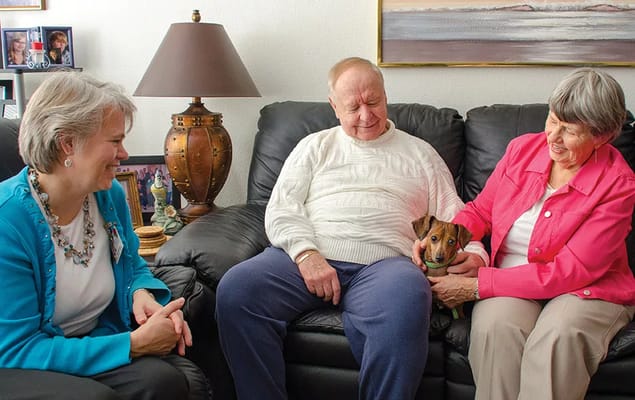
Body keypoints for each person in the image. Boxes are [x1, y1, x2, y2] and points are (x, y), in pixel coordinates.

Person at [215, 57, 488, 400]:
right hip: (307, 257)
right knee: (237, 290)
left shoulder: (421, 154)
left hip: (387, 265)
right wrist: (306, 254)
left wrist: (475, 255)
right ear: (333, 106)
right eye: (353, 106)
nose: (366, 115)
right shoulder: (314, 147)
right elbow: (281, 208)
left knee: (410, 296)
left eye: (373, 102)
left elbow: (459, 214)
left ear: (385, 95)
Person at [413, 68, 635, 400]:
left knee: (557, 338)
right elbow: (481, 211)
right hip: (512, 279)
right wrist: (447, 239)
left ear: (602, 136)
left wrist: (478, 285)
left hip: (586, 289)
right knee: (495, 330)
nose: (553, 137)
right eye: (552, 120)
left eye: (569, 130)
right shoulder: (521, 151)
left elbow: (571, 272)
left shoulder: (618, 184)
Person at [0, 72, 210, 400]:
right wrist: (133, 345)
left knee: (165, 382)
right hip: (20, 361)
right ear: (67, 143)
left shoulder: (107, 195)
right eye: (114, 141)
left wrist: (141, 294)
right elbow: (17, 348)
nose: (124, 153)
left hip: (89, 340)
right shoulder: (7, 220)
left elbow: (132, 265)